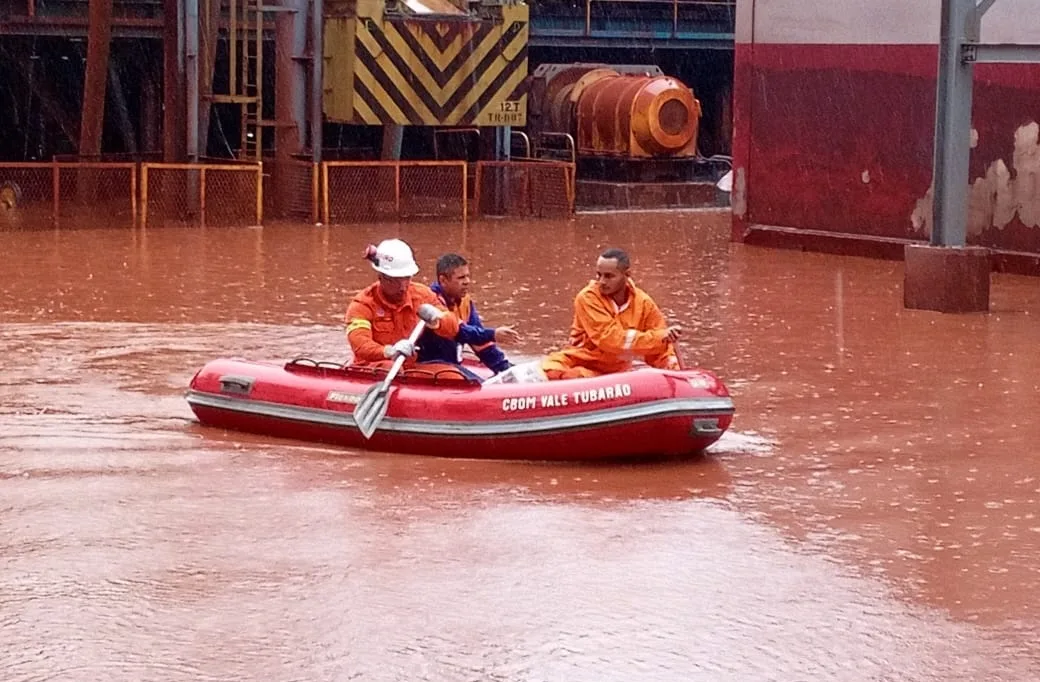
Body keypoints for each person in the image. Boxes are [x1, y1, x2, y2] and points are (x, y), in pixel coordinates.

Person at [540, 247, 682, 380]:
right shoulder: (587, 298)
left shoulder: (643, 302)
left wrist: (673, 368)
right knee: (552, 370)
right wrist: (659, 337)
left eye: (608, 276)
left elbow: (661, 348)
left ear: (627, 275)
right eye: (599, 275)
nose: (601, 281)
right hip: (582, 362)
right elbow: (610, 340)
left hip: (617, 371)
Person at [345, 238, 461, 370]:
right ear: (381, 277)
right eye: (395, 280)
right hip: (372, 367)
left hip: (409, 366)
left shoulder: (422, 295)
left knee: (451, 375)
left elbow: (453, 328)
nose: (402, 287)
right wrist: (389, 351)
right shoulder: (362, 305)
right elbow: (361, 345)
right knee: (389, 367)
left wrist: (439, 320)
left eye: (406, 278)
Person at [417, 253, 520, 375]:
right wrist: (493, 334)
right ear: (443, 280)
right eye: (461, 278)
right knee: (474, 383)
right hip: (430, 367)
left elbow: (480, 341)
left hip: (452, 365)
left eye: (467, 276)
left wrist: (504, 369)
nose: (467, 282)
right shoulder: (431, 302)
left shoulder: (464, 301)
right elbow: (461, 332)